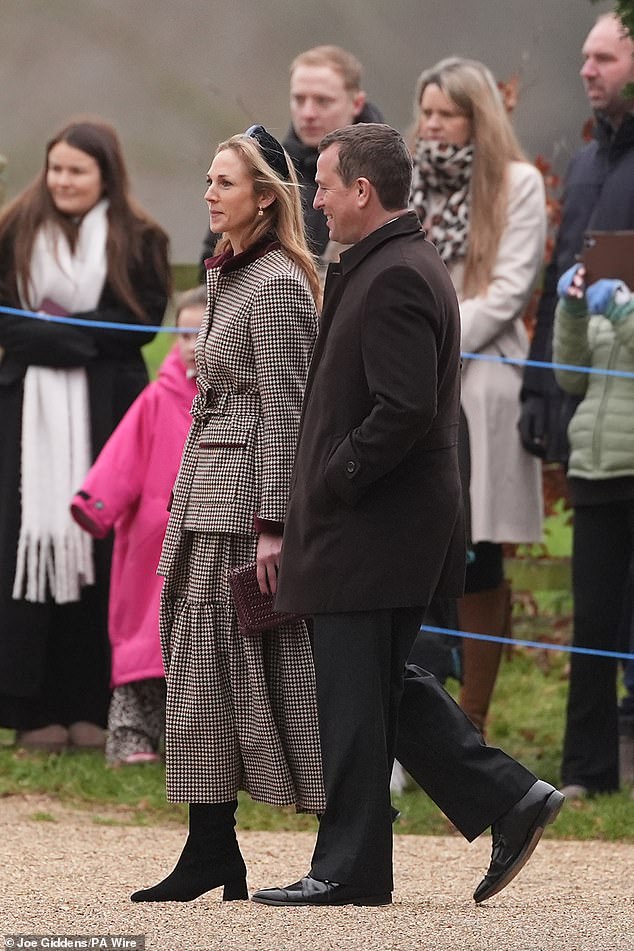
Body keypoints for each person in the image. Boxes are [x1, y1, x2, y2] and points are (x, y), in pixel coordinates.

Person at [251, 123, 564, 909]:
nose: (314, 198)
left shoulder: (394, 275)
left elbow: (404, 407)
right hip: (375, 525)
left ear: (362, 191)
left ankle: (350, 867)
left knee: (357, 698)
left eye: (323, 184)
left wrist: (334, 476)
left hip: (375, 527)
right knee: (378, 685)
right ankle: (507, 799)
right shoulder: (384, 263)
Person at [130, 125, 325, 904]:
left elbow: (288, 408)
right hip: (205, 497)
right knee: (201, 674)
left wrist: (274, 520)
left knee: (271, 677)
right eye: (208, 180)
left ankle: (343, 845)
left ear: (264, 198)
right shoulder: (229, 275)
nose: (208, 193)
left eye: (223, 183)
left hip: (245, 508)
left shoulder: (277, 282)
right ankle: (211, 846)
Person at [0, 118, 170, 753]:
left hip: (107, 418)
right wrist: (77, 337)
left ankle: (91, 707)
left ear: (105, 175)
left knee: (101, 554)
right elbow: (9, 323)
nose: (62, 181)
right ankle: (31, 710)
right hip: (24, 420)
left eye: (77, 170)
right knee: (23, 552)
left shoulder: (141, 238)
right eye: (55, 169)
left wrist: (53, 333)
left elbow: (139, 326)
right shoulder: (14, 230)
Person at [409, 57, 546, 734]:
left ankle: (473, 715)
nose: (433, 126)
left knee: (480, 548)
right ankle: (416, 711)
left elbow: (508, 291)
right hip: (414, 378)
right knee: (412, 543)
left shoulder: (515, 184)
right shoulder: (406, 181)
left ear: (477, 117)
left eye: (447, 114)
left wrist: (426, 338)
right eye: (427, 113)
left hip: (482, 376)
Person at [70, 287, 204, 766]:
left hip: (208, 544)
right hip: (151, 546)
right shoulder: (157, 398)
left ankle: (194, 748)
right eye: (183, 334)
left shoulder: (234, 399)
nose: (191, 344)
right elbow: (122, 458)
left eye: (201, 332)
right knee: (143, 643)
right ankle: (130, 738)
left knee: (198, 649)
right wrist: (96, 503)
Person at [519, 12, 634, 464]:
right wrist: (536, 389)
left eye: (604, 59)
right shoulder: (584, 165)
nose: (586, 70)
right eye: (586, 58)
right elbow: (560, 279)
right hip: (581, 406)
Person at [553, 265, 634, 797]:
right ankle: (587, 769)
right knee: (593, 627)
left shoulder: (623, 305)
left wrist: (625, 313)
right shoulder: (611, 296)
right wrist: (574, 310)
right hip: (596, 473)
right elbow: (570, 376)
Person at [199, 44, 383, 274]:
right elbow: (212, 256)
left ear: (356, 103)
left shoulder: (389, 174)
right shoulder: (268, 169)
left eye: (322, 101)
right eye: (299, 99)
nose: (308, 113)